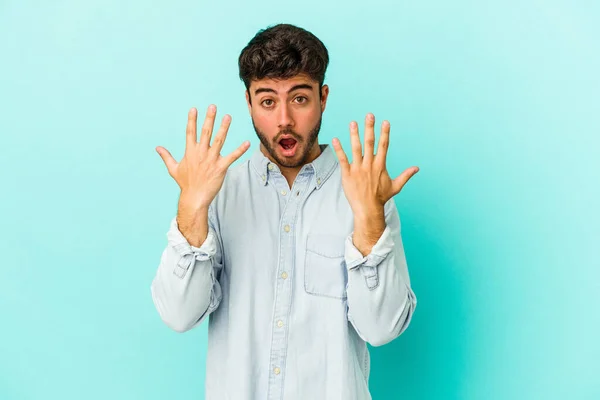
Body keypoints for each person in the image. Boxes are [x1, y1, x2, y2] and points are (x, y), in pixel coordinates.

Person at [151, 23, 420, 400]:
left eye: (299, 99)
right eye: (267, 101)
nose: (284, 120)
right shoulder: (217, 193)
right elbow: (179, 315)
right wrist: (191, 209)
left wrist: (371, 221)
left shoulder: (364, 195)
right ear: (248, 102)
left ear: (322, 98)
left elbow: (381, 329)